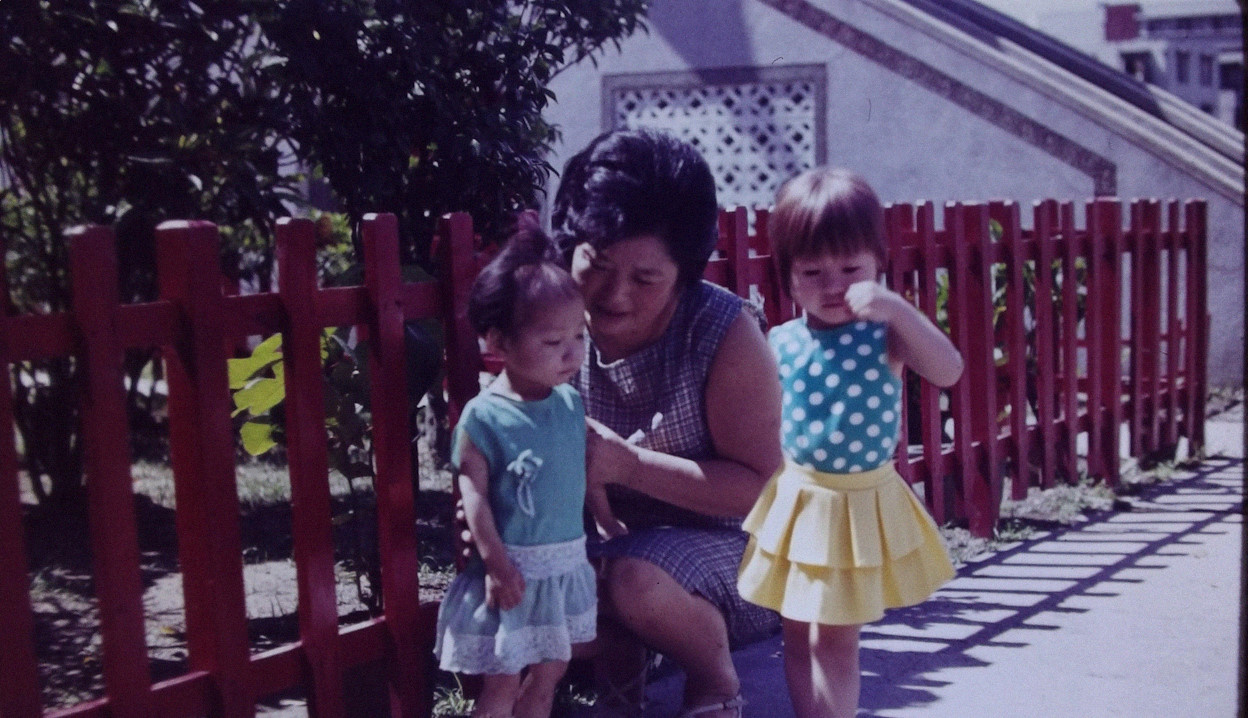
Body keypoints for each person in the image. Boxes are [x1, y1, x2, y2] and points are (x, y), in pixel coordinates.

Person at [551, 129, 784, 718]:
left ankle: (715, 683)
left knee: (636, 579)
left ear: (684, 273)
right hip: (604, 548)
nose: (614, 294)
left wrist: (627, 466)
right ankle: (623, 668)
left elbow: (764, 491)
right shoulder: (549, 321)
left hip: (733, 551)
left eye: (645, 278)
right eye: (597, 265)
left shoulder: (723, 332)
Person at [736, 167, 962, 718]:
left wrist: (897, 308)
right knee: (795, 633)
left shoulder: (885, 334)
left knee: (836, 639)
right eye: (812, 271)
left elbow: (948, 370)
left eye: (851, 268)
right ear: (787, 276)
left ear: (878, 265)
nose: (833, 285)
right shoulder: (781, 340)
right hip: (799, 502)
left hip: (857, 505)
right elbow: (762, 417)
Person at [434, 219, 625, 718]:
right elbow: (473, 498)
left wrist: (605, 519)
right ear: (499, 342)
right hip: (513, 572)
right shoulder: (485, 417)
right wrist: (496, 566)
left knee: (549, 676)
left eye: (578, 336)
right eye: (552, 342)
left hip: (563, 567)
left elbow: (582, 470)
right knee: (502, 683)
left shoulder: (568, 404)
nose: (572, 353)